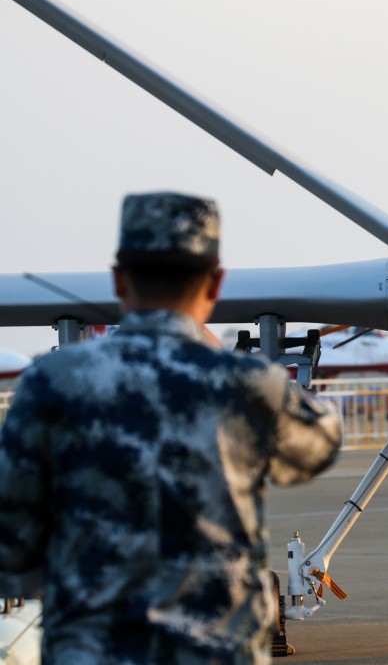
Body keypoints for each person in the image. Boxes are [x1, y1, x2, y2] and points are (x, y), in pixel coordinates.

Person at [0, 192, 342, 663]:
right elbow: (316, 448)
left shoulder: (51, 382)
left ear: (119, 279)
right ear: (215, 282)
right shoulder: (247, 385)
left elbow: (14, 538)